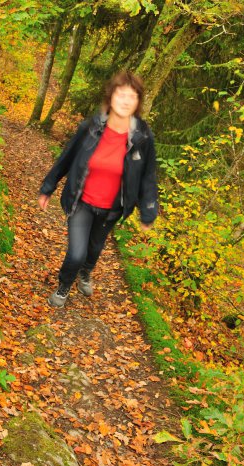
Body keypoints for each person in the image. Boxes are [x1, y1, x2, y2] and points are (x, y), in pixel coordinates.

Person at [38, 71, 159, 307]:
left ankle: (86, 272)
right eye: (121, 94)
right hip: (81, 202)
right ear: (111, 96)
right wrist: (48, 187)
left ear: (138, 102)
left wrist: (148, 212)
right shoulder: (91, 127)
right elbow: (68, 156)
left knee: (94, 250)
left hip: (112, 208)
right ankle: (64, 286)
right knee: (76, 253)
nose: (125, 100)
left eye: (132, 96)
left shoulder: (143, 138)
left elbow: (148, 176)